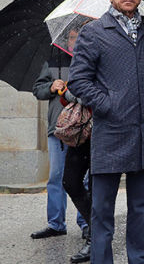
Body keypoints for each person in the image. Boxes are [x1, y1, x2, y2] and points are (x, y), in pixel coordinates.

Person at [68, 0, 144, 264]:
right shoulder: (94, 31)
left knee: (142, 210)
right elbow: (79, 81)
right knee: (102, 213)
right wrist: (108, 104)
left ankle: (141, 260)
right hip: (111, 132)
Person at [31, 54, 88, 242]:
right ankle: (56, 224)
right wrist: (50, 87)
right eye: (71, 37)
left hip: (82, 129)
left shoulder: (89, 57)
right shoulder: (52, 61)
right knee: (56, 176)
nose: (74, 40)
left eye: (76, 36)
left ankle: (87, 223)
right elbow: (37, 90)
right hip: (58, 128)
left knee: (84, 179)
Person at [59, 27, 94, 263]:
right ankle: (96, 224)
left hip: (104, 129)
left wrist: (78, 93)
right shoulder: (78, 59)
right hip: (81, 132)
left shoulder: (106, 49)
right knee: (70, 181)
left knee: (99, 184)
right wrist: (66, 92)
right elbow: (70, 95)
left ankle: (96, 237)